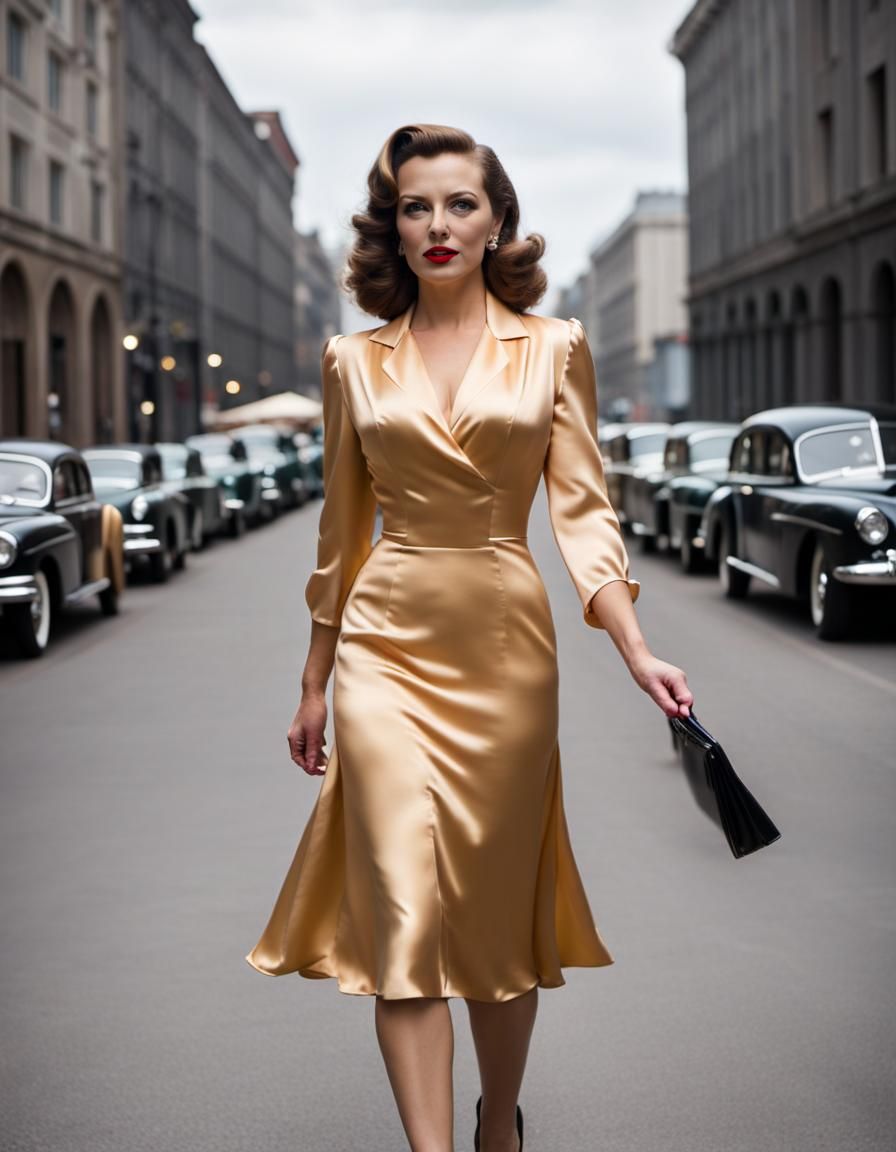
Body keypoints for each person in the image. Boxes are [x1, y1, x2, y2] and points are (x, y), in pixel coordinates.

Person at [246, 122, 693, 1152]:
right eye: (415, 206)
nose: (437, 224)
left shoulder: (556, 348)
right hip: (382, 648)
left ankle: (498, 1121)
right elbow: (339, 532)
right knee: (402, 910)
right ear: (391, 228)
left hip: (503, 645)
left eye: (458, 203)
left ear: (497, 221)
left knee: (489, 922)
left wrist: (634, 649)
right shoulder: (350, 362)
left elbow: (584, 518)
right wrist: (315, 681)